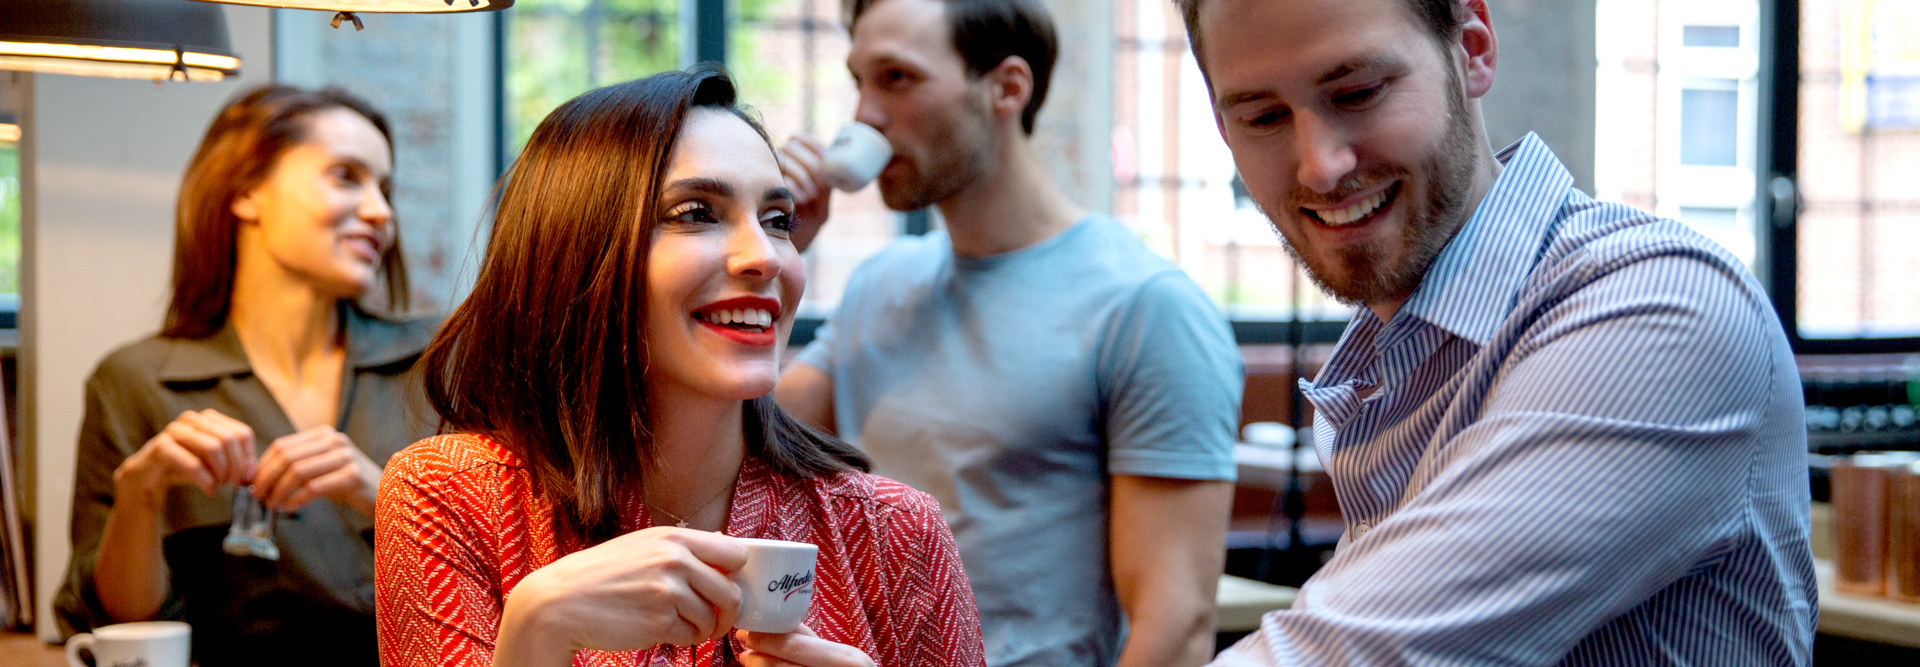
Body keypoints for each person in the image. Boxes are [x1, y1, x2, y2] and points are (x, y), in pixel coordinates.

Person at [1170, 0, 1818, 664]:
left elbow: (1352, 651)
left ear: (1473, 48)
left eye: (1358, 92)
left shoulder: (1664, 306)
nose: (1321, 165)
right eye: (1264, 117)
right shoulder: (1385, 354)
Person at [373, 66, 985, 667]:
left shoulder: (893, 532)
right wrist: (537, 626)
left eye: (778, 221)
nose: (764, 258)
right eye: (697, 213)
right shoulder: (451, 498)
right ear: (577, 250)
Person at [772, 1, 1243, 665]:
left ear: (1007, 87)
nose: (864, 116)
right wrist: (775, 257)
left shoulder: (1145, 306)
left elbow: (1175, 623)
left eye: (897, 79)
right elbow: (746, 442)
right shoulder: (879, 284)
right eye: (860, 82)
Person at [55, 85, 436, 667]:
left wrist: (384, 495)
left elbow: (514, 573)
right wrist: (139, 496)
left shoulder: (440, 364)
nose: (382, 212)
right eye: (346, 176)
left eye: (384, 188)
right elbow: (124, 628)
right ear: (246, 192)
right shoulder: (135, 381)